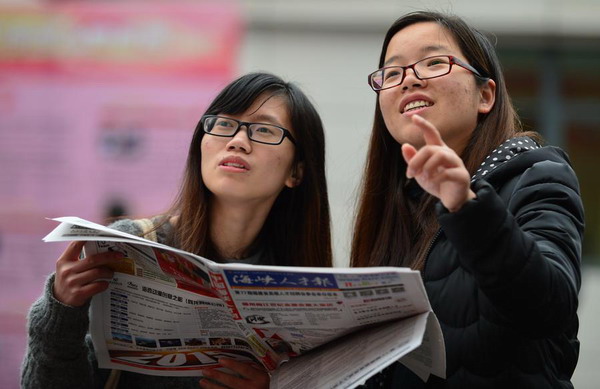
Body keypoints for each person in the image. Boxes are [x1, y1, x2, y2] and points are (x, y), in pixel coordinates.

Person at [22, 72, 332, 389]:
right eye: (225, 124)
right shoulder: (131, 245)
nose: (238, 141)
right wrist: (61, 311)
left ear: (296, 171)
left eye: (264, 130)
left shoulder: (305, 285)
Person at [351, 11, 584, 388]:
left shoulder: (536, 174)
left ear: (485, 95)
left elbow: (550, 306)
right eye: (392, 73)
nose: (409, 79)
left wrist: (466, 207)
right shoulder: (396, 207)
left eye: (432, 62)